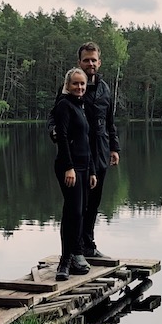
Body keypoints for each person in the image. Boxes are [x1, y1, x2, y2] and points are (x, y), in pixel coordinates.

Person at [49, 67, 97, 281]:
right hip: (69, 168)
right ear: (67, 85)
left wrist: (92, 171)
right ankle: (65, 261)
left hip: (85, 168)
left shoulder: (83, 106)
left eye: (82, 84)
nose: (79, 87)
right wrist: (69, 167)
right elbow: (62, 137)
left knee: (81, 212)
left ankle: (76, 256)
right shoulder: (63, 106)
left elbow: (87, 142)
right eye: (75, 84)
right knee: (73, 212)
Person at [77, 42, 120, 258]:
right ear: (80, 62)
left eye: (94, 60)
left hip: (101, 152)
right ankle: (75, 250)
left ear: (99, 62)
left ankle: (89, 246)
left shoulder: (105, 88)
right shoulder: (74, 86)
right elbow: (55, 117)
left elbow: (110, 121)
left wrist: (114, 148)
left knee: (94, 203)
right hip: (80, 154)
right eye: (86, 60)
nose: (90, 63)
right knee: (78, 204)